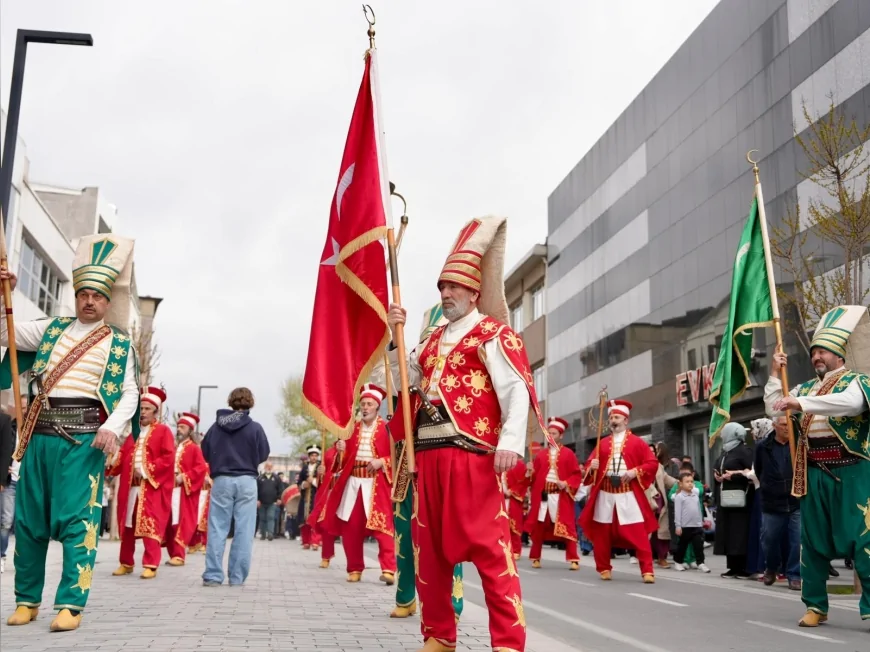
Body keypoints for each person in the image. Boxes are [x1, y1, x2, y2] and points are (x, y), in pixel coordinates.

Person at [384, 215, 545, 652]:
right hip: (426, 456)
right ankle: (438, 634)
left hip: (472, 455)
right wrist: (396, 338)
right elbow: (403, 382)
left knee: (492, 553)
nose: (446, 294)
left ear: (474, 290)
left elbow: (516, 390)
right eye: (441, 287)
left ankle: (509, 642)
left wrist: (511, 444)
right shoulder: (431, 339)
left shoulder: (494, 334)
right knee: (430, 553)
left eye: (453, 287)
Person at [1, 236, 139, 632]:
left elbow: (130, 392)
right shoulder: (51, 329)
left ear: (107, 301)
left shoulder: (119, 344)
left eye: (97, 295)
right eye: (83, 294)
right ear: (75, 298)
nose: (90, 301)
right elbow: (4, 332)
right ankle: (27, 600)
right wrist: (3, 294)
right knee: (27, 522)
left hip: (84, 440)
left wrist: (112, 428)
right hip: (38, 435)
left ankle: (70, 604)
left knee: (79, 522)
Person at [764, 305, 870, 627]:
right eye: (813, 352)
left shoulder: (858, 381)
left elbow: (850, 404)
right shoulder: (806, 388)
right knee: (810, 542)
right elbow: (774, 407)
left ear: (839, 355)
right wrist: (773, 372)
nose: (817, 357)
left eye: (823, 351)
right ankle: (815, 605)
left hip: (852, 472)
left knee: (864, 540)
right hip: (812, 473)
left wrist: (800, 403)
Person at [322, 384, 396, 584]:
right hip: (354, 483)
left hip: (377, 483)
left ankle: (389, 568)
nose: (365, 407)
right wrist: (341, 450)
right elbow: (342, 463)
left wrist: (383, 461)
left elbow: (398, 455)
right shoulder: (351, 429)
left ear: (376, 406)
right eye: (363, 404)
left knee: (383, 527)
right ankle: (354, 567)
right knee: (351, 527)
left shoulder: (388, 429)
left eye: (369, 404)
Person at [579, 399, 659, 583]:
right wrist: (592, 466)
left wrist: (635, 472)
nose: (613, 420)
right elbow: (589, 465)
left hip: (627, 493)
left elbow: (652, 463)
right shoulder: (602, 442)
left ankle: (647, 570)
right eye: (611, 417)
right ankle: (604, 568)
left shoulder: (637, 443)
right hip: (605, 493)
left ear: (625, 420)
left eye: (616, 417)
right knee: (602, 533)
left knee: (638, 531)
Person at [200, 387, 270, 586]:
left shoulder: (216, 426)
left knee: (217, 527)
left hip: (222, 479)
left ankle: (213, 575)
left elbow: (205, 451)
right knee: (244, 530)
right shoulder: (255, 428)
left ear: (230, 402)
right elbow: (264, 453)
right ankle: (237, 577)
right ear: (250, 403)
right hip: (247, 480)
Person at [109, 387, 175, 579]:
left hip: (151, 487)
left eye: (147, 409)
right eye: (141, 409)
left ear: (155, 412)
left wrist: (146, 470)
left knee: (150, 524)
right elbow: (122, 458)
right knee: (128, 524)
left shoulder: (163, 432)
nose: (143, 412)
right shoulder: (133, 434)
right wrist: (111, 459)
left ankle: (151, 563)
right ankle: (126, 562)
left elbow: (168, 458)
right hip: (131, 488)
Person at [526, 417, 581, 570]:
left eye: (554, 433)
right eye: (548, 433)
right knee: (540, 526)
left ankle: (573, 558)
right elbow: (534, 479)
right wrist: (530, 471)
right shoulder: (541, 455)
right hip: (543, 496)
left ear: (561, 435)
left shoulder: (569, 454)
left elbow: (576, 474)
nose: (550, 436)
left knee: (567, 525)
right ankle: (535, 557)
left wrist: (566, 483)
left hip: (560, 496)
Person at [753, 415, 800, 590]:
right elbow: (758, 470)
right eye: (783, 424)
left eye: (789, 424)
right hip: (772, 502)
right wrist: (768, 486)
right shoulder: (762, 447)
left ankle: (794, 575)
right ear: (774, 426)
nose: (787, 427)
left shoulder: (797, 444)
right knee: (769, 540)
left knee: (797, 540)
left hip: (795, 501)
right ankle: (771, 567)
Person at [164, 413, 208, 566]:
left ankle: (179, 554)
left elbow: (201, 468)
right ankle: (172, 553)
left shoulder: (194, 448)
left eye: (182, 427)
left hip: (182, 490)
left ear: (190, 430)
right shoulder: (175, 447)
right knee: (168, 521)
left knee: (179, 520)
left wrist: (185, 477)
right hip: (170, 488)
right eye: (178, 426)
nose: (178, 430)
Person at [712, 422, 755, 579]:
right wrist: (717, 476)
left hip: (740, 501)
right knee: (728, 533)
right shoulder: (725, 451)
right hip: (726, 499)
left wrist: (734, 476)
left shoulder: (744, 451)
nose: (722, 435)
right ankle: (732, 566)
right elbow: (718, 466)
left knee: (739, 533)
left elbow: (752, 473)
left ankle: (743, 567)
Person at [309, 441, 340, 568]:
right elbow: (325, 475)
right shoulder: (330, 451)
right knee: (326, 522)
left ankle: (355, 564)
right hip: (331, 491)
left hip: (350, 487)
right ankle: (326, 555)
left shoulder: (355, 446)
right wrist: (320, 474)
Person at [672, 472, 710, 572]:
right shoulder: (679, 497)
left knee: (698, 545)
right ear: (680, 484)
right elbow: (677, 512)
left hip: (696, 525)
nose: (690, 484)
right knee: (682, 546)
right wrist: (678, 526)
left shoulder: (695, 495)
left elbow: (698, 509)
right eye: (687, 482)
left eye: (691, 481)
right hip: (685, 526)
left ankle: (701, 563)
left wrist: (700, 522)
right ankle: (678, 562)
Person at [649, 443, 677, 568]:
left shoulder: (659, 466)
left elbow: (667, 480)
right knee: (647, 532)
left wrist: (682, 482)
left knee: (662, 532)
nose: (651, 454)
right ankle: (644, 557)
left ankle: (662, 557)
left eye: (653, 451)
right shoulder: (638, 467)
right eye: (648, 451)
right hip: (646, 502)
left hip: (660, 502)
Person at [0, 406, 16, 575]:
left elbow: (5, 452)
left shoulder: (3, 421)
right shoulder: (10, 424)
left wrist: (2, 477)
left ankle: (1, 556)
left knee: (5, 521)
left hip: (5, 482)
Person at [503, 453, 528, 560]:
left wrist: (512, 491)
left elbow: (523, 483)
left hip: (513, 499)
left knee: (514, 526)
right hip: (500, 499)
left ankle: (516, 550)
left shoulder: (519, 465)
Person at [297, 446, 322, 550]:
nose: (314, 457)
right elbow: (299, 482)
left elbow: (324, 482)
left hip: (317, 497)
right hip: (305, 498)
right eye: (312, 455)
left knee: (316, 519)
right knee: (304, 519)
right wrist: (304, 484)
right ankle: (306, 541)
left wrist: (314, 481)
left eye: (316, 455)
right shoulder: (304, 468)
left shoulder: (321, 467)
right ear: (309, 456)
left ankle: (315, 541)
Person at [257, 462, 282, 541]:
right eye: (267, 466)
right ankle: (263, 534)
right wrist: (257, 500)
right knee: (262, 518)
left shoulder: (276, 478)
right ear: (265, 467)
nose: (269, 468)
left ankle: (270, 534)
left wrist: (279, 498)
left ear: (272, 467)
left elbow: (280, 489)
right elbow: (256, 490)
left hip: (272, 502)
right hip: (261, 502)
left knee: (270, 517)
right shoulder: (260, 478)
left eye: (270, 466)